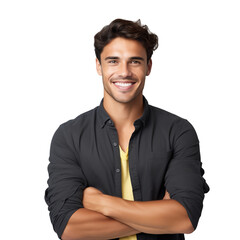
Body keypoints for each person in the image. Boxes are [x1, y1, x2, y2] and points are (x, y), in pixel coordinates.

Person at [45, 18, 209, 240]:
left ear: (148, 66)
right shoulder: (70, 136)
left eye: (135, 61)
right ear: (98, 66)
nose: (124, 72)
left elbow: (185, 219)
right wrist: (160, 217)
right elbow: (69, 228)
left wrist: (102, 203)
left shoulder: (178, 131)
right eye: (113, 61)